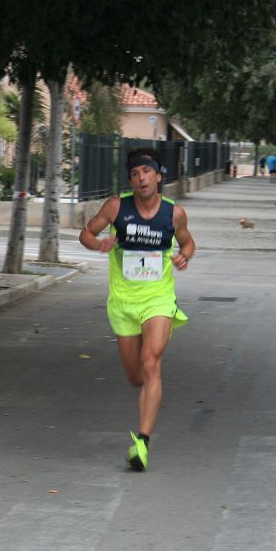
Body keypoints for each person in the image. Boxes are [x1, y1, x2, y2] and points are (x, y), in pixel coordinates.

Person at [79, 150, 196, 471]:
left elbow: (188, 243)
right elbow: (86, 233)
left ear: (159, 176)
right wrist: (98, 243)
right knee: (135, 376)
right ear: (131, 180)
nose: (141, 178)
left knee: (151, 363)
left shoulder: (174, 214)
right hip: (123, 302)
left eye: (147, 171)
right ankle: (143, 400)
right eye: (135, 173)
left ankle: (142, 441)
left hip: (158, 298)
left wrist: (184, 257)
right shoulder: (117, 207)